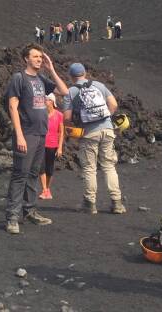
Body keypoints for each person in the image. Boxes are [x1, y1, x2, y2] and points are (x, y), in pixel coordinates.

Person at [4, 45, 68, 234]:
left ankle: (30, 211)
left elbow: (64, 91)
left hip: (41, 134)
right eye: (35, 56)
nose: (39, 59)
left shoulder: (41, 79)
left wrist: (52, 69)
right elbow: (12, 107)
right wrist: (20, 135)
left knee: (33, 174)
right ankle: (12, 218)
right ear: (26, 58)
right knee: (19, 175)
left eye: (41, 57)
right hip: (26, 134)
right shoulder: (19, 78)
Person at [62, 63, 125, 215]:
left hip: (88, 133)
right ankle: (117, 203)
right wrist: (106, 118)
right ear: (85, 73)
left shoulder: (71, 91)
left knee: (90, 168)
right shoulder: (99, 85)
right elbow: (114, 104)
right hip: (107, 129)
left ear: (71, 76)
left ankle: (90, 204)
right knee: (109, 166)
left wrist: (73, 130)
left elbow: (67, 117)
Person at [39, 93, 64, 200]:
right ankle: (44, 190)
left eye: (48, 100)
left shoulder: (59, 115)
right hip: (40, 144)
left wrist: (60, 147)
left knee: (49, 168)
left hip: (53, 145)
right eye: (45, 99)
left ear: (53, 102)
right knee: (41, 167)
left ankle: (47, 189)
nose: (46, 101)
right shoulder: (41, 114)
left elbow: (61, 132)